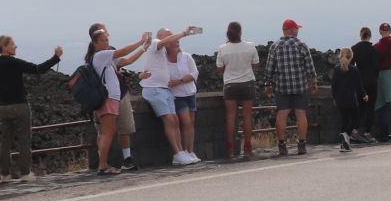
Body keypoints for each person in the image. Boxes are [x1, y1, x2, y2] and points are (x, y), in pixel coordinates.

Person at [0, 35, 64, 182]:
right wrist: (56, 57)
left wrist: (0, 88)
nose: (15, 47)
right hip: (20, 105)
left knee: (5, 141)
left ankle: (4, 174)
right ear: (5, 47)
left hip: (3, 107)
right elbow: (38, 69)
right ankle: (25, 173)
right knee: (24, 140)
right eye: (13, 44)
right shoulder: (15, 63)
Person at [80, 24, 151, 176]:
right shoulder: (100, 55)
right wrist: (140, 41)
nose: (106, 43)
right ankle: (103, 166)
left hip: (112, 99)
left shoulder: (105, 57)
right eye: (103, 40)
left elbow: (127, 60)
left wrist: (144, 48)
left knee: (109, 132)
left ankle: (104, 165)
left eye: (107, 40)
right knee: (108, 132)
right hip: (108, 99)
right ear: (95, 43)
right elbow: (123, 51)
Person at [138, 29, 202, 165]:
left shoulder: (165, 54)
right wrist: (185, 33)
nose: (172, 38)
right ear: (160, 37)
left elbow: (146, 70)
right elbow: (144, 72)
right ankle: (178, 152)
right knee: (170, 119)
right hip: (156, 89)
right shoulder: (155, 43)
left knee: (175, 120)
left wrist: (142, 75)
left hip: (166, 90)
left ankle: (182, 153)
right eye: (169, 35)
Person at [263, 18, 319, 156]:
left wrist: (268, 84)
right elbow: (310, 67)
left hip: (282, 86)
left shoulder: (275, 46)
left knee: (282, 113)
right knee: (301, 113)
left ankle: (282, 145)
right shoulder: (302, 45)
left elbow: (269, 68)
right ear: (292, 30)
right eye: (297, 28)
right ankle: (302, 145)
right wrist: (313, 82)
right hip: (300, 85)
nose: (298, 31)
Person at [216, 23, 260, 160]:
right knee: (247, 116)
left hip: (230, 84)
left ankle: (230, 148)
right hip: (247, 83)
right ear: (240, 32)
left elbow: (219, 69)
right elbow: (256, 65)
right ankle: (247, 147)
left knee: (230, 117)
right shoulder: (250, 46)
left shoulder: (223, 48)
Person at [350, 27, 379, 143]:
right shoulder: (373, 50)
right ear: (370, 36)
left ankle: (355, 131)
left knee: (360, 107)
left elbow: (351, 66)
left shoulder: (354, 49)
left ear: (360, 35)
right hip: (372, 82)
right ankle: (367, 132)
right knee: (370, 107)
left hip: (359, 83)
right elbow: (377, 67)